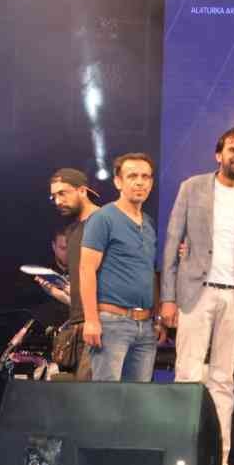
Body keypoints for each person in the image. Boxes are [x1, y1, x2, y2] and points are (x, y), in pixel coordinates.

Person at [159, 127, 234, 465]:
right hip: (196, 293)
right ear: (218, 153)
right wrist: (168, 298)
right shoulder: (192, 188)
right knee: (187, 375)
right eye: (233, 150)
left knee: (223, 381)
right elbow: (172, 241)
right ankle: (182, 456)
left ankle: (219, 461)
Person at [80, 153, 161, 382]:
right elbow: (86, 269)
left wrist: (156, 319)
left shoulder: (148, 223)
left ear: (151, 183)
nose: (140, 182)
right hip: (112, 323)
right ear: (118, 182)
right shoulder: (103, 218)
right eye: (132, 176)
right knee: (107, 398)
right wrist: (91, 320)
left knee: (137, 399)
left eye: (145, 177)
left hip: (146, 327)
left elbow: (149, 272)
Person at [46, 168, 99, 378]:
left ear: (82, 190)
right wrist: (61, 294)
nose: (58, 201)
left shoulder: (104, 220)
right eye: (54, 196)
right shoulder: (71, 230)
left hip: (100, 321)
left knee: (92, 391)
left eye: (63, 193)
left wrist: (95, 319)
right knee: (78, 390)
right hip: (78, 323)